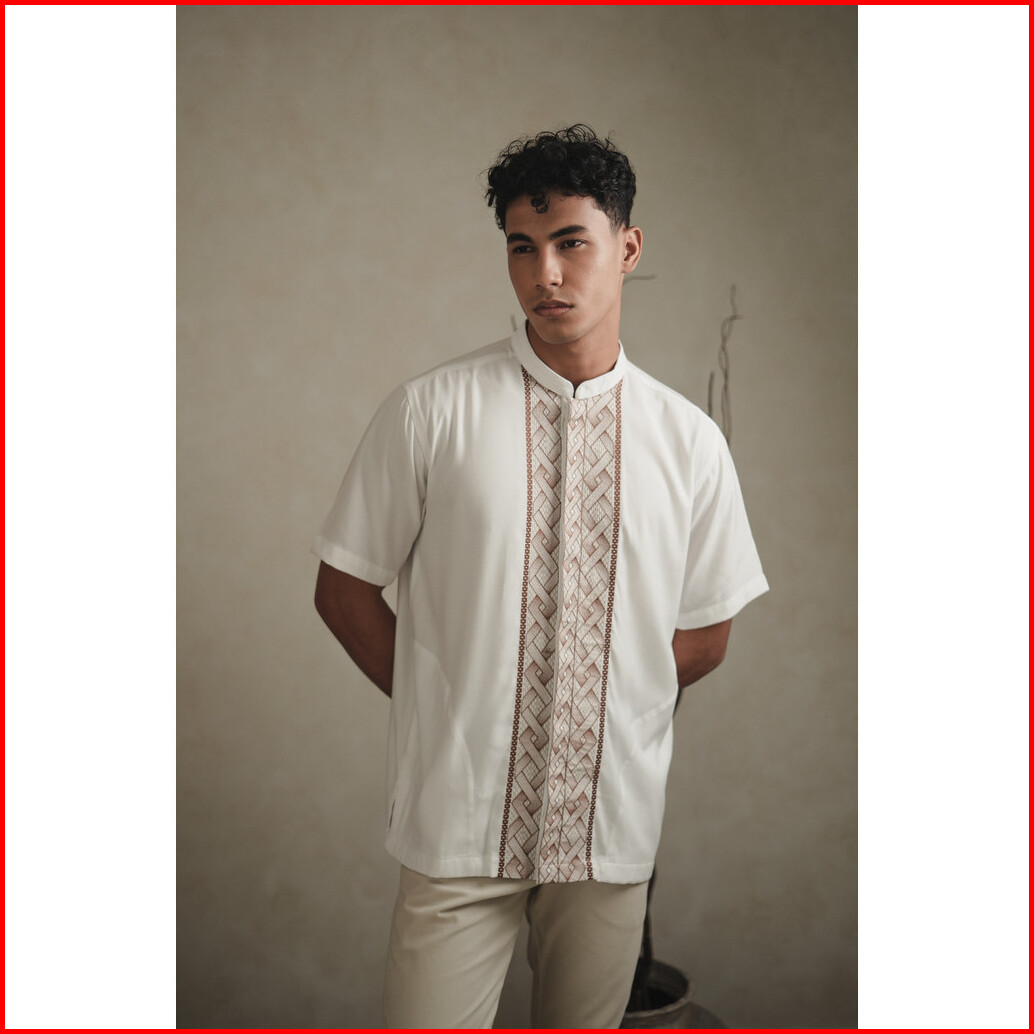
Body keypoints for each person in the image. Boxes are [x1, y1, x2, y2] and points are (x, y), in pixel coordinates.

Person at [313, 124, 768, 1029]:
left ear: (627, 248)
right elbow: (344, 589)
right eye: (522, 248)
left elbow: (707, 633)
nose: (544, 274)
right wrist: (449, 704)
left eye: (570, 243)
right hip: (457, 823)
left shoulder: (688, 441)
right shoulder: (431, 412)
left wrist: (606, 709)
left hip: (609, 830)